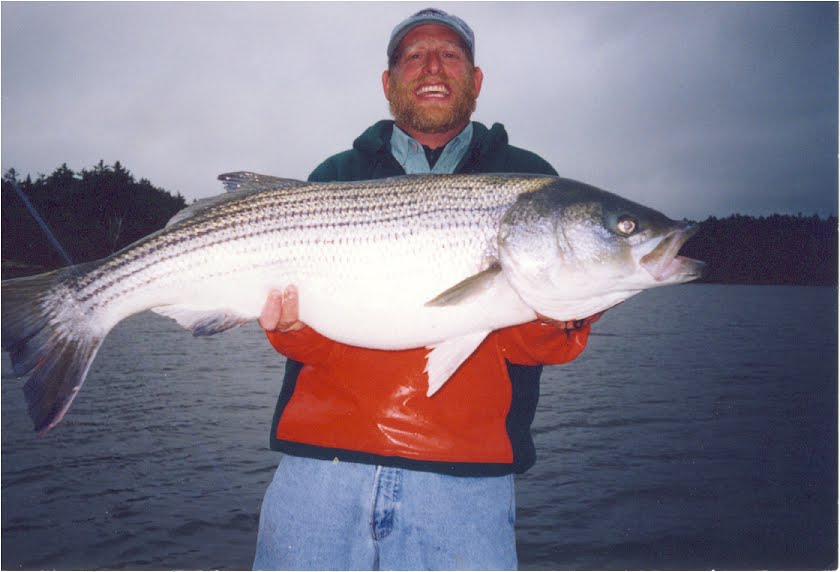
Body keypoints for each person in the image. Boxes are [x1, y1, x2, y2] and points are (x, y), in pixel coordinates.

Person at [253, 8, 602, 570]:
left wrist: (568, 302)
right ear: (389, 83)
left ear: (476, 79)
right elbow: (311, 341)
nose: (432, 66)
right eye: (414, 56)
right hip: (322, 471)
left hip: (465, 483)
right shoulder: (335, 175)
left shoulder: (530, 176)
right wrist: (292, 331)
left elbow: (540, 347)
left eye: (450, 54)